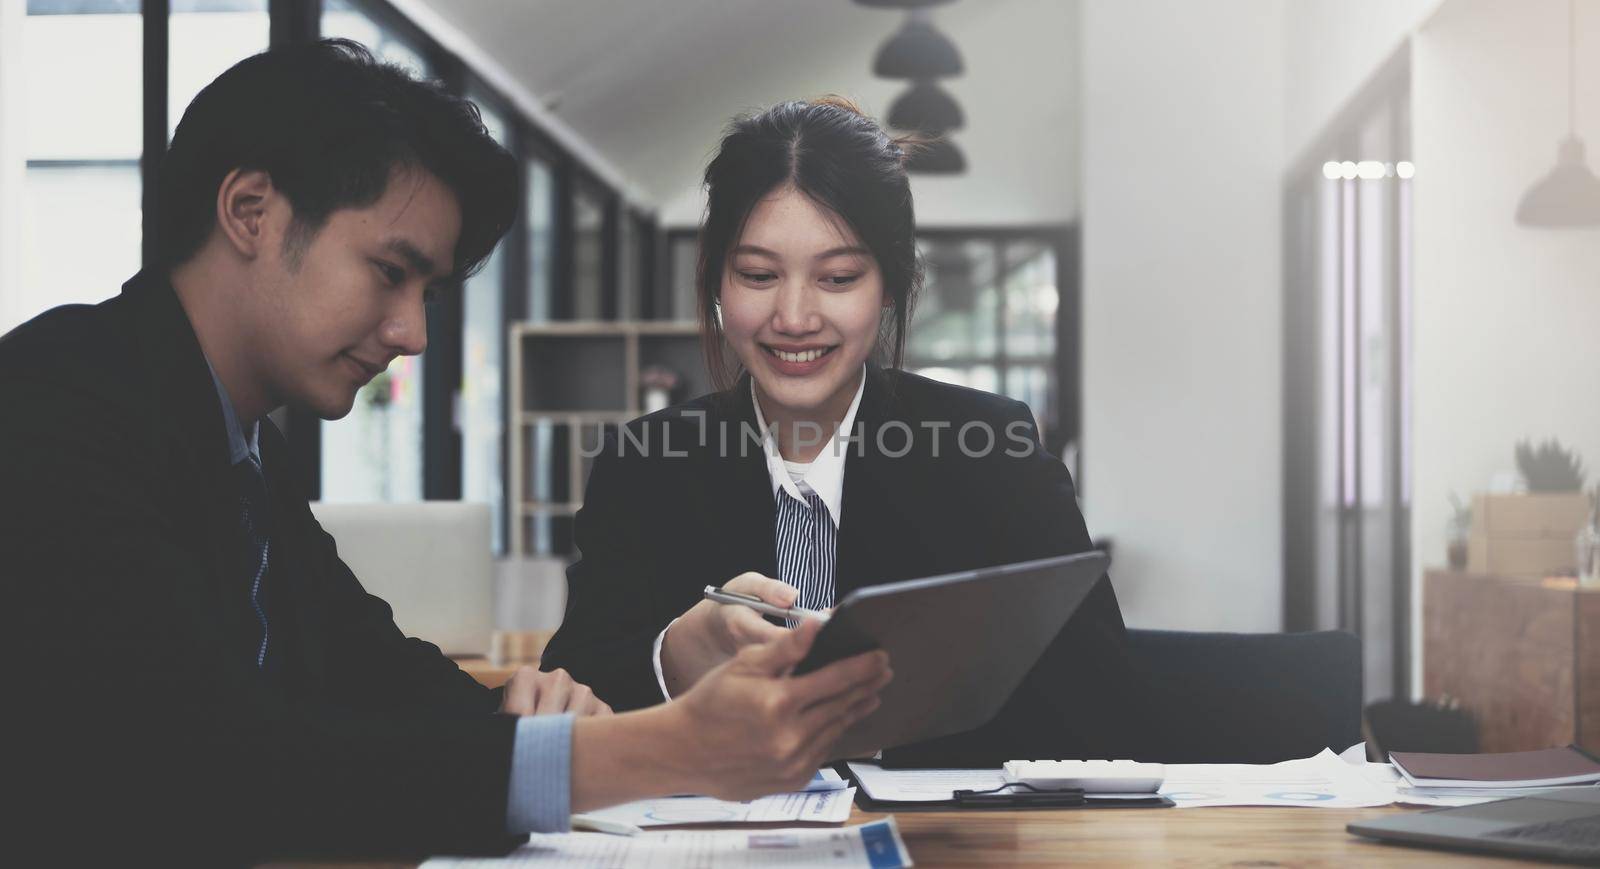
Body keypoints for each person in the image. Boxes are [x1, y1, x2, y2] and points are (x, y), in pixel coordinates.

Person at [0, 43, 889, 866]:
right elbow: (217, 760)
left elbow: (384, 675)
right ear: (250, 212)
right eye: (391, 271)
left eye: (429, 290)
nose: (413, 333)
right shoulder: (55, 410)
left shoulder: (237, 456)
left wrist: (540, 722)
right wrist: (662, 745)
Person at [541, 97, 1152, 767]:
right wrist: (674, 658)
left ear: (889, 284)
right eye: (757, 275)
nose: (795, 316)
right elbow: (571, 701)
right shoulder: (645, 464)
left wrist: (888, 717)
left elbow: (1106, 712)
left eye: (837, 277)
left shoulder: (992, 450)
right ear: (717, 279)